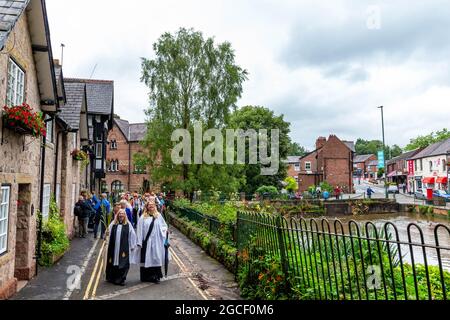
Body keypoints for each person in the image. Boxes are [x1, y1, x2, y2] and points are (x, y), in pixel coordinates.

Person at [136, 200, 168, 284]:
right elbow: (139, 230)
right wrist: (139, 242)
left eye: (152, 205)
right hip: (147, 242)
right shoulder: (143, 217)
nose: (151, 206)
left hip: (157, 241)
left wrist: (164, 232)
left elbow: (164, 226)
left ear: (155, 207)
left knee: (156, 258)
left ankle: (156, 276)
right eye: (149, 205)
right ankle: (147, 277)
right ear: (147, 207)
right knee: (147, 258)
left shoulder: (159, 216)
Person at [105, 209, 137, 286]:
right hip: (114, 247)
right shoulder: (113, 223)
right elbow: (107, 232)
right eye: (120, 214)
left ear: (125, 215)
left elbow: (133, 235)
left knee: (123, 262)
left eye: (122, 214)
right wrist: (106, 234)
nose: (121, 215)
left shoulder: (128, 224)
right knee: (113, 261)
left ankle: (121, 279)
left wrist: (132, 245)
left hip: (124, 248)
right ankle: (112, 278)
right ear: (117, 215)